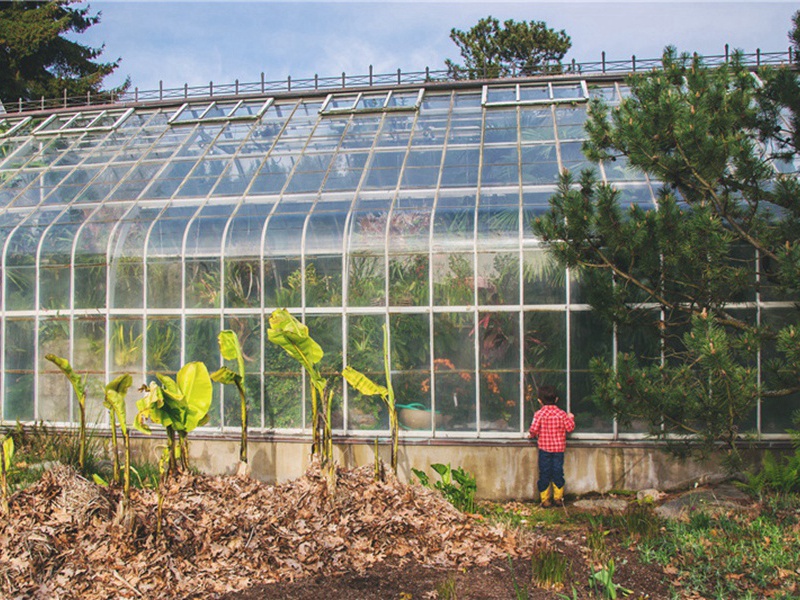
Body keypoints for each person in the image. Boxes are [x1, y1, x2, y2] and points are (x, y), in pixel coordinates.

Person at [528, 385, 575, 508]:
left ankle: (545, 500)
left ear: (539, 400)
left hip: (544, 450)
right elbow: (570, 428)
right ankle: (558, 498)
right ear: (557, 399)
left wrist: (532, 435)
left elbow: (533, 430)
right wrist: (571, 418)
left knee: (544, 473)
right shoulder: (562, 414)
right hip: (559, 450)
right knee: (558, 472)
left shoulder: (539, 414)